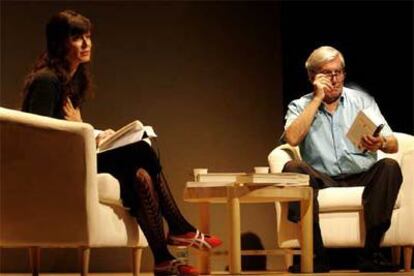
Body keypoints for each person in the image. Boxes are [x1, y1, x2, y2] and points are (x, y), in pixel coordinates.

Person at [21, 10, 221, 276]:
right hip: (56, 169)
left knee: (140, 175)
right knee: (140, 149)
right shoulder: (47, 80)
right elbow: (37, 135)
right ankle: (178, 226)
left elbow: (71, 131)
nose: (86, 44)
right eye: (77, 37)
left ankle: (162, 259)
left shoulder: (70, 82)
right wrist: (84, 129)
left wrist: (96, 135)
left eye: (88, 37)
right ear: (60, 42)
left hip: (75, 160)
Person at [281, 46, 402, 273]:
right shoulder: (299, 105)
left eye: (338, 72)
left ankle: (371, 255)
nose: (334, 79)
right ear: (312, 77)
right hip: (322, 177)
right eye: (327, 73)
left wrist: (381, 143)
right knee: (292, 167)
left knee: (389, 166)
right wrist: (317, 98)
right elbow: (292, 138)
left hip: (361, 174)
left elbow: (393, 143)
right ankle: (315, 256)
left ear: (344, 73)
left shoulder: (361, 101)